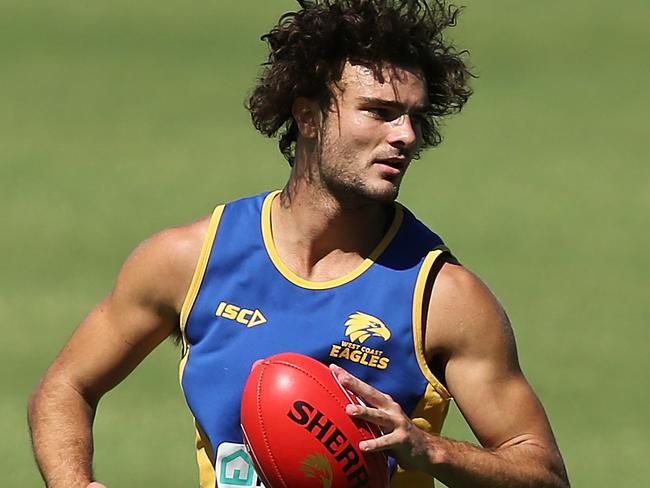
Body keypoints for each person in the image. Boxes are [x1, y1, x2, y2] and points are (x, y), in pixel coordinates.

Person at [28, 1, 570, 487]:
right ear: (308, 117)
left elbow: (541, 472)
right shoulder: (191, 260)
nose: (405, 135)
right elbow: (65, 387)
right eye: (379, 111)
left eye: (414, 117)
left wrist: (430, 450)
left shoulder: (442, 299)